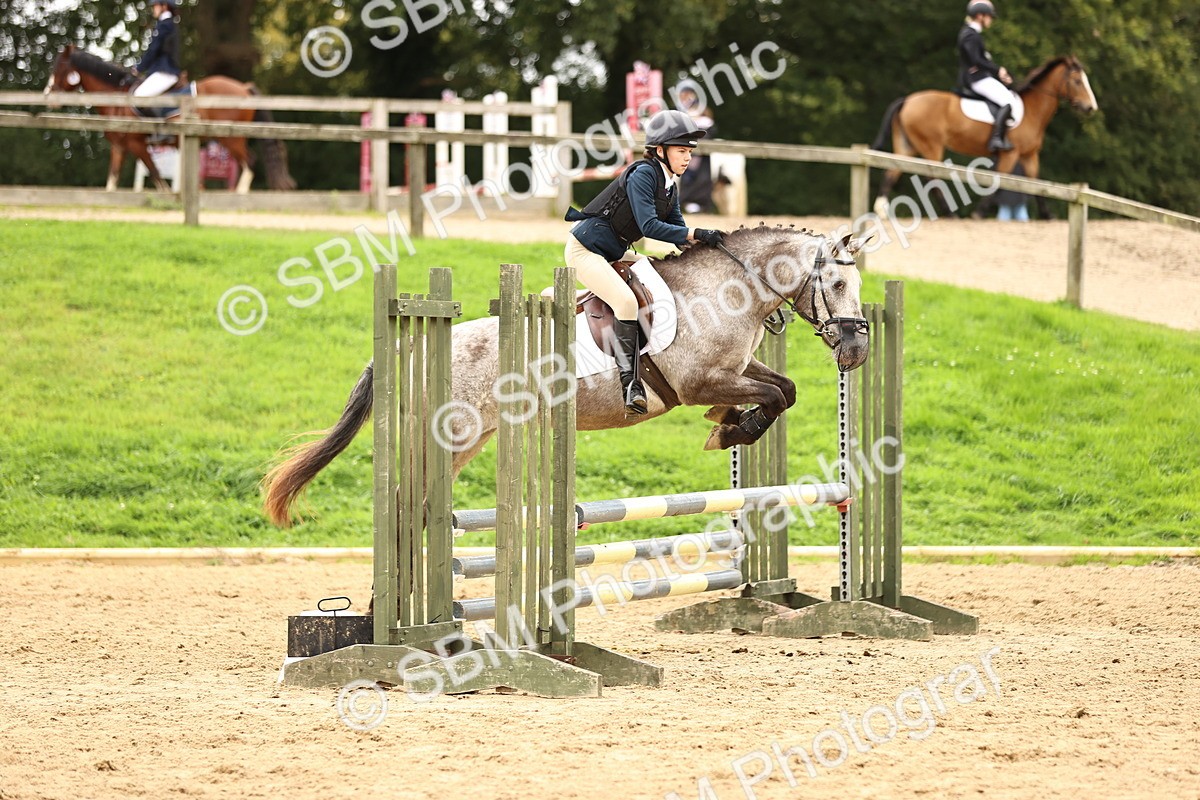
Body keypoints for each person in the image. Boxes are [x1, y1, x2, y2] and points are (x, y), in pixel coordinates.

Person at [564, 109, 726, 416]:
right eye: (681, 150)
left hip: (614, 251)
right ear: (661, 150)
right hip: (586, 251)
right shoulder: (643, 175)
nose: (688, 157)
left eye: (689, 151)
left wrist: (711, 244)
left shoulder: (669, 186)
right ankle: (630, 384)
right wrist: (695, 232)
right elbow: (650, 227)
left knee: (658, 273)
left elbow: (678, 231)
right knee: (626, 302)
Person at [957, 0, 1016, 152]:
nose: (991, 20)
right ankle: (997, 139)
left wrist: (998, 73)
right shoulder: (970, 35)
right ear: (979, 16)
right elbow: (976, 60)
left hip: (979, 77)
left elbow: (980, 60)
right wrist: (998, 70)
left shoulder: (973, 34)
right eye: (989, 16)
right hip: (976, 79)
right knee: (1008, 100)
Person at [674, 79, 717, 214]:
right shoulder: (679, 111)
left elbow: (709, 130)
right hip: (684, 147)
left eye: (687, 93)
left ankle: (699, 203)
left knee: (701, 172)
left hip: (699, 148)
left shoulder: (702, 111)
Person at [132, 0, 182, 114]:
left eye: (155, 5)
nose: (153, 8)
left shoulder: (165, 25)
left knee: (138, 97)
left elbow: (153, 50)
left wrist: (139, 68)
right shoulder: (166, 24)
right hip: (162, 70)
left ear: (164, 6)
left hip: (165, 71)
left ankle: (157, 130)